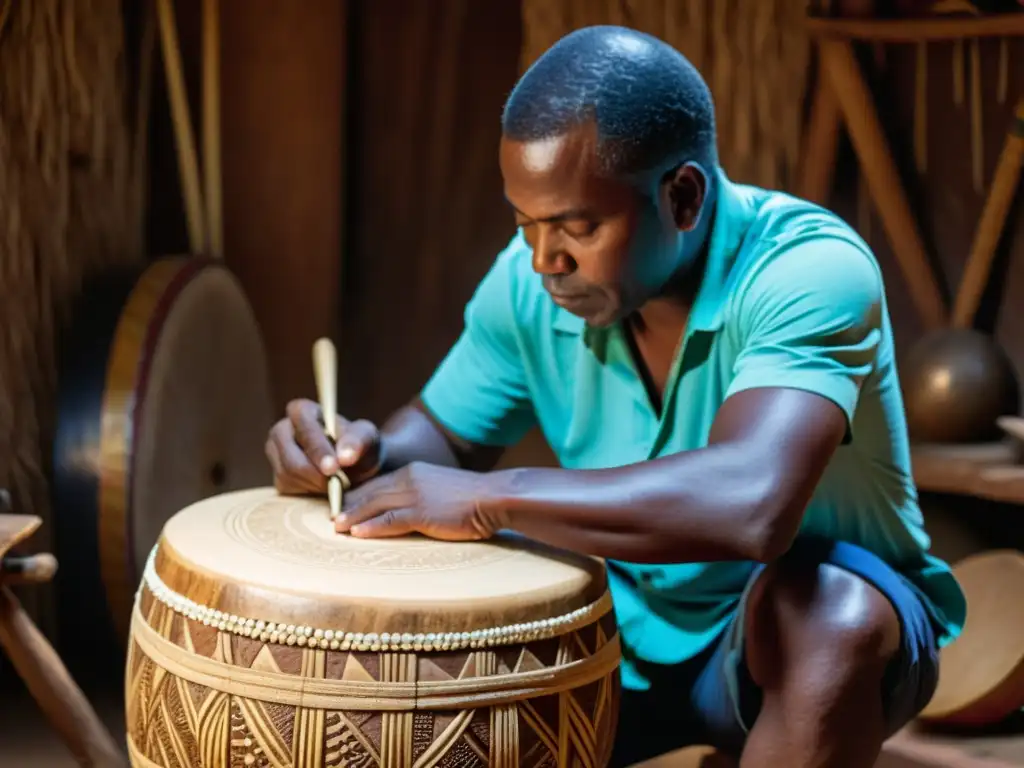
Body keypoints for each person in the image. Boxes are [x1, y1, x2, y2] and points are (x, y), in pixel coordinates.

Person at [266, 25, 966, 767]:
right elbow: (441, 442)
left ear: (684, 197)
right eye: (525, 223)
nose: (545, 260)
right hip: (620, 632)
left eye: (577, 227)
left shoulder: (808, 270)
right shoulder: (529, 281)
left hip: (783, 635)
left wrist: (486, 497)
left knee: (827, 613)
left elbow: (752, 503)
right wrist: (351, 458)